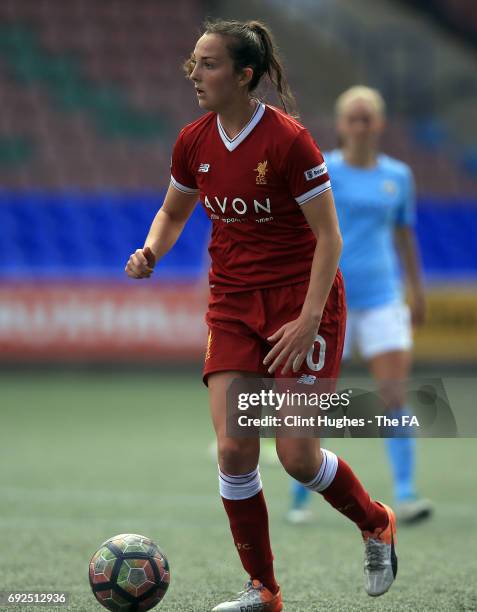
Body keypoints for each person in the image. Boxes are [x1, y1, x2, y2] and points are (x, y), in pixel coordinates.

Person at [125, 22, 397, 611]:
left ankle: (376, 523)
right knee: (233, 450)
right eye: (192, 63)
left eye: (208, 64)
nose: (194, 74)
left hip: (302, 305)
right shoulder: (192, 141)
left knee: (297, 456)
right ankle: (264, 590)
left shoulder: (289, 140)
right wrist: (151, 249)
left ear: (244, 75)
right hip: (232, 306)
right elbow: (173, 213)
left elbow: (330, 238)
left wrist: (307, 319)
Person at [288, 86, 432, 526]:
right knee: (315, 399)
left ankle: (406, 493)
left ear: (380, 124)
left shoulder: (399, 176)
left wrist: (417, 289)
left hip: (383, 299)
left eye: (367, 117)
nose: (360, 125)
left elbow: (405, 236)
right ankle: (300, 497)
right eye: (353, 117)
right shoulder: (324, 169)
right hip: (332, 300)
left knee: (394, 394)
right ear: (341, 124)